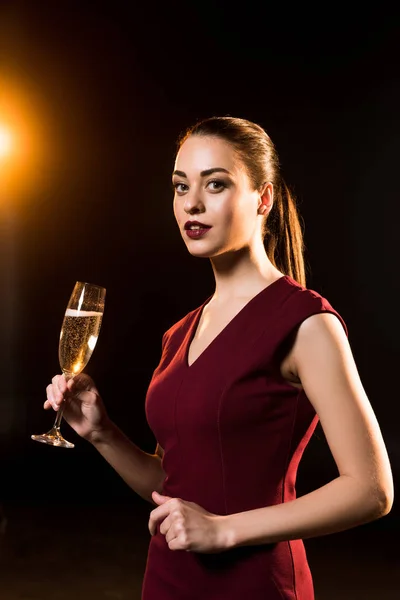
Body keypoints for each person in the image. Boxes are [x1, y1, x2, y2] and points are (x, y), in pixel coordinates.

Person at [45, 116, 394, 599]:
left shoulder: (307, 322)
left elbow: (371, 490)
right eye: (180, 185)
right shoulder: (179, 333)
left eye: (216, 184)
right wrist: (102, 433)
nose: (192, 203)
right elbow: (174, 486)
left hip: (256, 585)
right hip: (168, 579)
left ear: (264, 199)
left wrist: (223, 530)